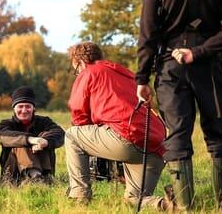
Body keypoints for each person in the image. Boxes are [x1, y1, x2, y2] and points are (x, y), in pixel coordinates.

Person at [136, 0, 222, 211]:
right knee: (219, 135)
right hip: (212, 66)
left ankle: (185, 208)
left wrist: (141, 79)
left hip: (171, 68)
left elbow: (148, 34)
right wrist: (199, 52)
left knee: (178, 136)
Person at [65, 42, 171, 210]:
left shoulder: (89, 72)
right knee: (133, 200)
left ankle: (79, 197)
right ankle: (168, 204)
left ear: (81, 63)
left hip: (126, 137)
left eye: (76, 69)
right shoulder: (127, 74)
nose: (77, 72)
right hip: (157, 146)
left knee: (72, 135)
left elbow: (78, 115)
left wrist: (94, 137)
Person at [0, 86, 65, 185]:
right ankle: (35, 177)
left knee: (45, 137)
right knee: (20, 142)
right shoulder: (6, 124)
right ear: (14, 108)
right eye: (20, 106)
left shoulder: (44, 122)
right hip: (13, 176)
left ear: (34, 108)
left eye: (28, 106)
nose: (24, 110)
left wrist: (45, 142)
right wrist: (31, 140)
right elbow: (4, 137)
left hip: (45, 173)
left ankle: (42, 178)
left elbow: (60, 133)